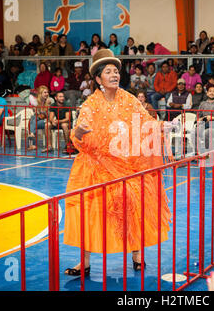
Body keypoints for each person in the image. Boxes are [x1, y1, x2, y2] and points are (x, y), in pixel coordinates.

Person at [63, 49, 171, 276]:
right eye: (108, 72)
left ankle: (137, 254)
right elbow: (78, 139)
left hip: (126, 166)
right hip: (95, 167)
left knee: (133, 206)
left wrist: (160, 128)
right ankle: (84, 262)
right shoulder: (91, 104)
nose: (114, 75)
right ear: (98, 78)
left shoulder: (129, 100)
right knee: (87, 211)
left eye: (116, 71)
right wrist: (79, 133)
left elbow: (146, 123)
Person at [28, 85, 54, 153]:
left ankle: (33, 139)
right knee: (33, 120)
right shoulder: (37, 102)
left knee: (33, 121)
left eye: (47, 92)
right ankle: (32, 137)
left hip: (49, 121)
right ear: (40, 94)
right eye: (45, 92)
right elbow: (37, 114)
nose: (47, 94)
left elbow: (50, 114)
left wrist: (48, 105)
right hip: (40, 120)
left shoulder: (51, 100)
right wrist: (36, 109)